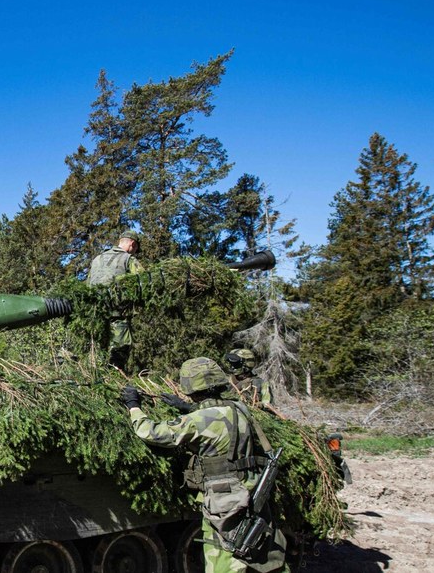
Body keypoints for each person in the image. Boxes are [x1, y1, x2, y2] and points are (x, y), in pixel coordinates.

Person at [121, 358, 289, 573]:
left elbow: (150, 432)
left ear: (190, 387)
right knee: (257, 550)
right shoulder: (239, 409)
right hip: (250, 488)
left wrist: (133, 406)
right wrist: (188, 408)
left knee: (226, 557)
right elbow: (219, 418)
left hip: (224, 498)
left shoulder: (198, 419)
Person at [86, 230, 144, 367]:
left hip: (93, 314)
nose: (134, 252)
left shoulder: (97, 259)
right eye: (135, 249)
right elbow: (143, 281)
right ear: (132, 244)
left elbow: (87, 285)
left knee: (95, 351)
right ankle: (115, 378)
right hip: (117, 313)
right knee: (120, 349)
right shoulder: (128, 259)